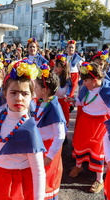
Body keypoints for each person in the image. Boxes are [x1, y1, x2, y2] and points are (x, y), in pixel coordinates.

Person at [0, 60, 46, 200]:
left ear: (32, 96)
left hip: (17, 182)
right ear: (5, 94)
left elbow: (38, 171)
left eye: (24, 94)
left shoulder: (29, 129)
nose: (18, 98)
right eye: (13, 93)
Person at [67, 62, 110, 193]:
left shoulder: (106, 92)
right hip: (85, 121)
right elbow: (83, 102)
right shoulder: (87, 89)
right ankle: (79, 166)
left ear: (95, 80)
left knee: (97, 149)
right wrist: (73, 101)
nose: (83, 83)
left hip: (100, 124)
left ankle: (99, 179)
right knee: (79, 143)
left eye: (86, 80)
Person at [34, 63, 66, 199]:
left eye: (35, 87)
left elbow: (60, 136)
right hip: (40, 146)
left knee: (47, 177)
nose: (33, 89)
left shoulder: (54, 107)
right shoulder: (41, 101)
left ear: (44, 90)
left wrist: (49, 156)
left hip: (48, 148)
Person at [54, 54, 71, 129]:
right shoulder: (53, 76)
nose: (55, 68)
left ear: (63, 68)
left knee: (64, 118)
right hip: (55, 101)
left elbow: (62, 92)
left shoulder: (66, 79)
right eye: (54, 66)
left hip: (63, 101)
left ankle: (64, 136)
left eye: (57, 66)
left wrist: (55, 85)